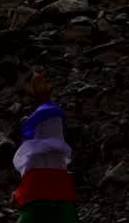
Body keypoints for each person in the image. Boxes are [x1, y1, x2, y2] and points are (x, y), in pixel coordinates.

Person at [13, 73, 81, 223]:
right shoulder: (44, 118)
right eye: (40, 83)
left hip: (48, 176)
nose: (46, 84)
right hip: (49, 176)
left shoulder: (46, 117)